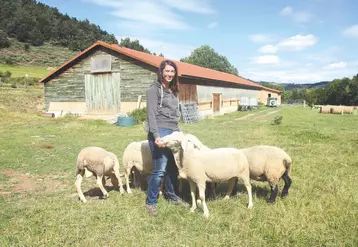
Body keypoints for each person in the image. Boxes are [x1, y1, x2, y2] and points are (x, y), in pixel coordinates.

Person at [145, 60, 186, 216]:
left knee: (172, 168)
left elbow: (175, 114)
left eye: (172, 71)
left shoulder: (173, 90)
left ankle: (172, 196)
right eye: (167, 71)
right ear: (161, 72)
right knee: (160, 169)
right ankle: (151, 202)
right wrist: (156, 135)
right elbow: (151, 115)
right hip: (160, 130)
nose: (169, 74)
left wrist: (178, 133)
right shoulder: (153, 90)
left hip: (173, 130)